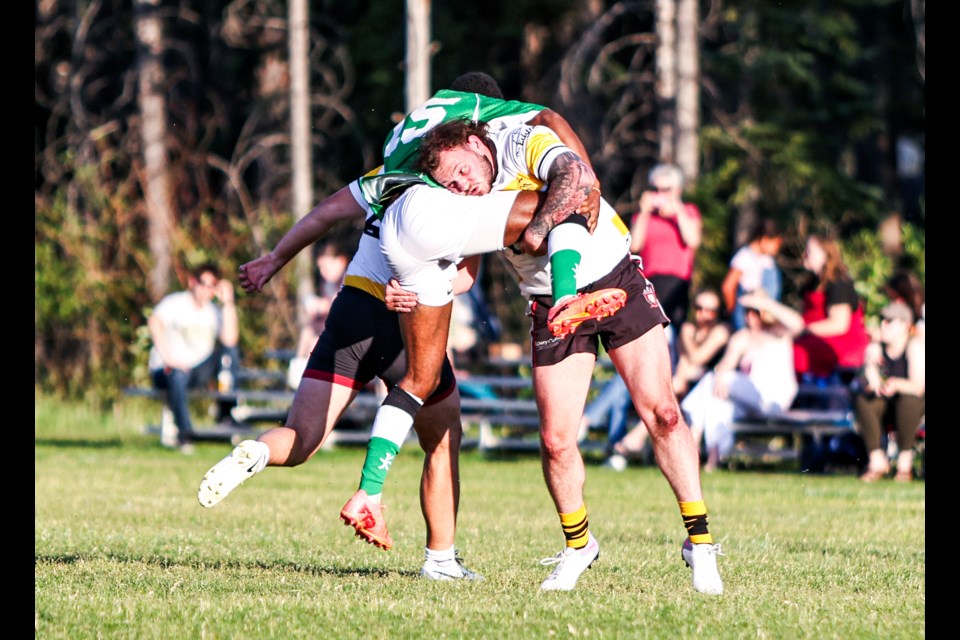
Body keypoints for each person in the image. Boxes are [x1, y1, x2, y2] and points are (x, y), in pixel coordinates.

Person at [196, 72, 592, 581]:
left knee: (302, 436)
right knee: (443, 432)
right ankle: (439, 557)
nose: (465, 183)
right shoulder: (462, 183)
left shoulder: (395, 175)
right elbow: (465, 278)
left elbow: (325, 214)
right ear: (475, 131)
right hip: (399, 316)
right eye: (459, 173)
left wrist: (275, 258)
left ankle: (253, 451)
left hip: (350, 309)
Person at [370, 119, 725, 595]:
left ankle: (699, 543)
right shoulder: (466, 203)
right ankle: (579, 546)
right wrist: (410, 291)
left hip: (614, 279)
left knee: (661, 413)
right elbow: (464, 278)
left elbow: (572, 175)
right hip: (548, 306)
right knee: (557, 440)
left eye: (460, 171)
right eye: (449, 184)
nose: (461, 186)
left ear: (477, 144)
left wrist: (539, 227)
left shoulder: (521, 143)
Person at [599, 288, 732, 472]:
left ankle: (635, 438)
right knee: (668, 381)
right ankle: (633, 441)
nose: (704, 314)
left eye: (711, 310)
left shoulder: (721, 331)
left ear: (718, 312)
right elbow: (686, 361)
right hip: (685, 385)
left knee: (677, 380)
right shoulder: (688, 328)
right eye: (699, 308)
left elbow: (698, 357)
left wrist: (686, 336)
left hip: (712, 391)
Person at [681, 292, 805, 471]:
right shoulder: (742, 338)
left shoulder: (778, 333)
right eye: (746, 312)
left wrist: (766, 302)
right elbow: (725, 365)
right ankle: (712, 460)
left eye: (754, 312)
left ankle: (692, 445)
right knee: (716, 401)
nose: (749, 317)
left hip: (772, 400)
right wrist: (720, 374)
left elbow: (798, 323)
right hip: (749, 402)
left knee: (713, 380)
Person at [147, 263, 240, 453]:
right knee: (177, 374)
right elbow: (154, 323)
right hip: (167, 370)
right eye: (203, 283)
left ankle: (226, 415)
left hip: (197, 371)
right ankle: (186, 435)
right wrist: (169, 359)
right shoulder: (175, 303)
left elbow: (230, 340)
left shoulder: (214, 311)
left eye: (212, 285)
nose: (207, 290)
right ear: (192, 282)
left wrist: (228, 303)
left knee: (229, 354)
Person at [629, 163, 703, 367]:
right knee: (650, 340)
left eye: (666, 189)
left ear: (677, 190)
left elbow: (693, 240)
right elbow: (635, 244)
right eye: (655, 189)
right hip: (649, 284)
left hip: (677, 284)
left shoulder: (688, 211)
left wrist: (676, 208)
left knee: (674, 336)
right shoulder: (644, 216)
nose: (660, 194)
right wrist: (644, 212)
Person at [854, 301, 925, 482]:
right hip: (886, 408)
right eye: (882, 320)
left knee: (909, 400)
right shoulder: (876, 349)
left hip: (912, 411)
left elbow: (918, 386)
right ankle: (877, 461)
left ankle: (904, 462)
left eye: (889, 320)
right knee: (863, 399)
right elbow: (867, 385)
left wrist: (896, 384)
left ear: (905, 325)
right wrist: (871, 371)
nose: (883, 325)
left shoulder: (914, 347)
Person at [792, 234, 871, 381]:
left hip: (839, 344)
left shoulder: (838, 282)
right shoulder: (813, 282)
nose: (804, 255)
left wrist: (803, 330)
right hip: (816, 339)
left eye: (809, 251)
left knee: (792, 353)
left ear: (825, 254)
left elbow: (839, 325)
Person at [721, 218, 784, 331]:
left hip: (766, 314)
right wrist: (735, 314)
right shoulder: (744, 257)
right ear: (765, 240)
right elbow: (728, 287)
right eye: (776, 243)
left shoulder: (767, 260)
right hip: (747, 314)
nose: (777, 248)